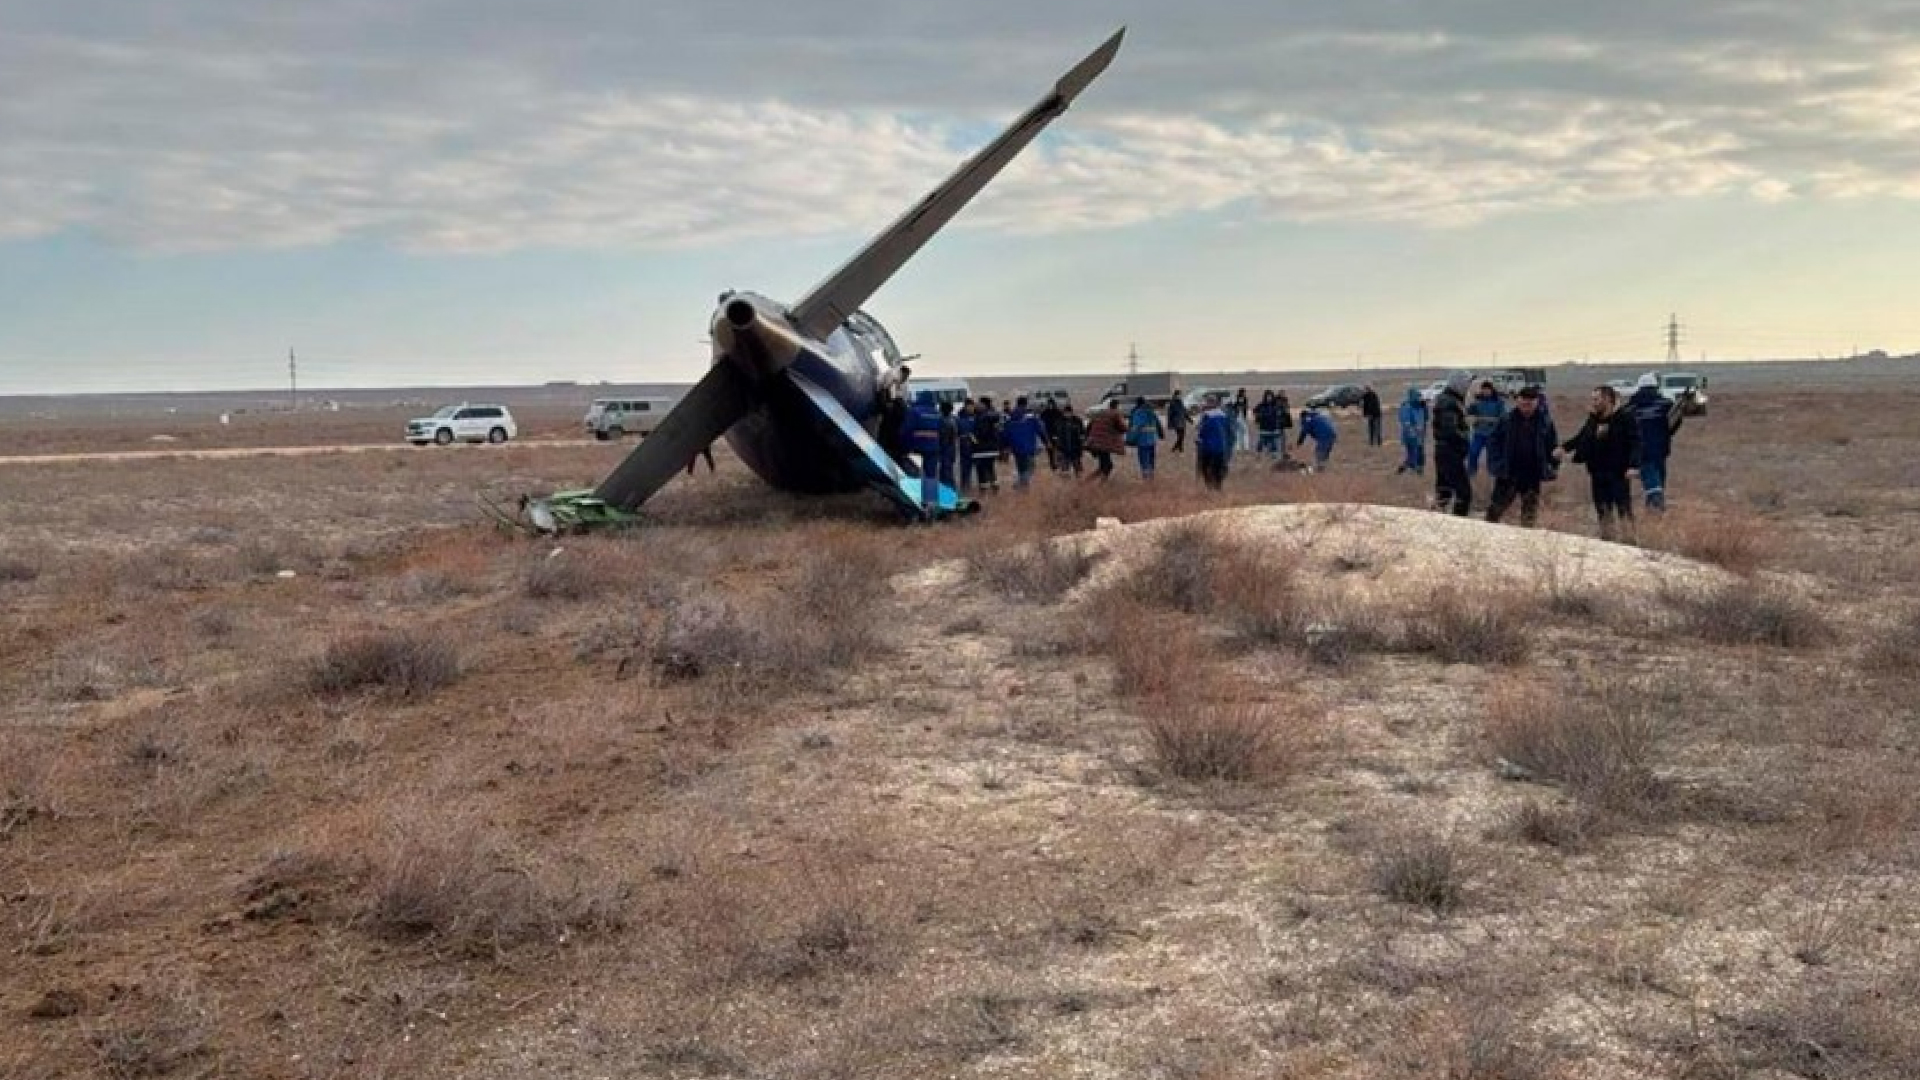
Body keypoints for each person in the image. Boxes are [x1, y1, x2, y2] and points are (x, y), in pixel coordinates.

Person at [1562, 384, 1639, 541]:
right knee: (1603, 510)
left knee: (1623, 509)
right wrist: (1564, 448)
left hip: (1618, 473)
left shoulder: (1625, 418)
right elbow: (1581, 437)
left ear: (1608, 399)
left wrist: (1633, 465)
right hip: (1597, 472)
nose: (1594, 403)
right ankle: (1607, 541)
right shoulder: (1594, 419)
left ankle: (1630, 541)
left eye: (1597, 399)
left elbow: (1636, 443)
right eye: (1593, 399)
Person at [1484, 386, 1557, 528]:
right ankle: (1485, 534)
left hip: (1532, 474)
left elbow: (1552, 446)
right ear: (1517, 401)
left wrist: (1552, 466)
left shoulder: (1545, 422)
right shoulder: (1506, 419)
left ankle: (1526, 538)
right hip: (1508, 472)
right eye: (1523, 401)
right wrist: (1496, 463)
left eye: (1530, 402)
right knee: (1495, 510)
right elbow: (1493, 442)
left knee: (1529, 513)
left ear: (1537, 402)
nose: (1526, 405)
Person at [1625, 373, 1686, 511]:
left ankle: (1654, 506)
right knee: (1658, 477)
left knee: (1650, 478)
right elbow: (1674, 423)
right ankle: (1656, 506)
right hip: (1660, 449)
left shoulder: (1629, 408)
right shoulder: (1666, 404)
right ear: (1656, 387)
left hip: (1640, 450)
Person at [1432, 370, 1473, 515]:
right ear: (1459, 384)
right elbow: (1450, 431)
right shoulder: (1449, 402)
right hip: (1449, 452)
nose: (1468, 387)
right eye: (1467, 383)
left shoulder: (1450, 399)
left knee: (1444, 491)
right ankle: (1457, 523)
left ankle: (1436, 520)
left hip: (1446, 451)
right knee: (1464, 493)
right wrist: (1465, 437)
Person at [901, 390, 945, 518]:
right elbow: (942, 430)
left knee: (913, 476)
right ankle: (931, 506)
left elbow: (906, 429)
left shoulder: (914, 411)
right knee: (930, 476)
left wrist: (904, 446)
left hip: (916, 448)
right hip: (933, 449)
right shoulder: (936, 413)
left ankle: (914, 504)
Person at [1002, 396, 1047, 489]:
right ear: (1026, 404)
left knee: (1021, 468)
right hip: (1028, 447)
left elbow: (1005, 433)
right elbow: (1040, 430)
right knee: (1030, 468)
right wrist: (1046, 442)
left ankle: (1022, 486)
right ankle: (1020, 484)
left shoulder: (1010, 416)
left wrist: (1005, 446)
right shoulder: (1031, 417)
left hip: (1016, 448)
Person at [1466, 381, 1506, 476]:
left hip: (1493, 434)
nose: (1485, 391)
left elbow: (1502, 419)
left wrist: (1483, 419)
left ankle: (1492, 472)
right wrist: (1470, 404)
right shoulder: (1477, 401)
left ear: (1491, 390)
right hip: (1479, 433)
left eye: (1487, 389)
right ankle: (1471, 470)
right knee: (1473, 452)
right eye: (1483, 389)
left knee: (1492, 455)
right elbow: (1468, 413)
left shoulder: (1499, 402)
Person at [1195, 393, 1233, 490]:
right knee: (1218, 468)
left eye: (1208, 402)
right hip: (1221, 447)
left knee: (1205, 468)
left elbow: (1201, 430)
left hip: (1208, 448)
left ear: (1209, 403)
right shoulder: (1224, 415)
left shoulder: (1206, 416)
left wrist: (1198, 439)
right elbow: (1230, 432)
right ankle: (1218, 487)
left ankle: (1210, 487)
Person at [1085, 399, 1126, 481]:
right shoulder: (1115, 414)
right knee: (1108, 466)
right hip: (1104, 444)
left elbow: (1089, 426)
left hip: (1094, 442)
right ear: (1117, 406)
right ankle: (1098, 483)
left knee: (1104, 465)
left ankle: (1088, 482)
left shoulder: (1100, 413)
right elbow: (1122, 428)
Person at [1127, 396, 1164, 479]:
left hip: (1142, 440)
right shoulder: (1151, 411)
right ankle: (1151, 475)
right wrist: (1161, 434)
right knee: (1151, 458)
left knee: (1144, 459)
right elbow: (1158, 423)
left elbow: (1136, 427)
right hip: (1152, 439)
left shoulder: (1137, 412)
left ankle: (1146, 478)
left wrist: (1130, 438)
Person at [971, 396, 1002, 492]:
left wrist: (973, 438)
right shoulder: (993, 415)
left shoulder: (981, 417)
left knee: (981, 468)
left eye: (979, 403)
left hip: (981, 448)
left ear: (984, 405)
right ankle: (994, 487)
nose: (977, 404)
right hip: (991, 448)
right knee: (990, 467)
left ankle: (983, 489)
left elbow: (981, 433)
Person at [1396, 385, 1428, 475]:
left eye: (1419, 396)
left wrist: (1425, 408)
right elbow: (1405, 421)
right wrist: (1412, 430)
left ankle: (1416, 468)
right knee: (1413, 453)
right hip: (1410, 434)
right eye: (1417, 396)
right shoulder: (1406, 407)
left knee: (1419, 452)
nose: (1419, 398)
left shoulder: (1420, 406)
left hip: (1420, 434)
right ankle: (1412, 468)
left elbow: (1425, 418)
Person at [1054, 402, 1086, 475]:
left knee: (1077, 467)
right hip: (1063, 447)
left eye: (1069, 412)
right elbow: (1056, 434)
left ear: (1072, 412)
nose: (1067, 414)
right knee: (1064, 468)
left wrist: (1082, 441)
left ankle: (1078, 478)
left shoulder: (1077, 420)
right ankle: (1066, 477)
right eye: (1066, 413)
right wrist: (1057, 443)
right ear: (1063, 413)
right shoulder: (1059, 421)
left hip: (1075, 447)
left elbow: (1082, 433)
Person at [956, 399, 977, 491]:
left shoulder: (976, 416)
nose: (971, 408)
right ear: (965, 406)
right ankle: (965, 483)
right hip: (964, 444)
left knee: (978, 465)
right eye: (969, 406)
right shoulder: (959, 417)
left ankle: (977, 483)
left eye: (972, 406)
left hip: (976, 444)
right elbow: (956, 432)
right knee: (965, 465)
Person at [1039, 396, 1064, 472]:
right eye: (1049, 404)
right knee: (1050, 450)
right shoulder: (1044, 413)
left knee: (1058, 449)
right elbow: (1041, 424)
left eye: (1051, 404)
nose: (1050, 405)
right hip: (1047, 435)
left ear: (1054, 404)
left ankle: (1059, 463)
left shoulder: (1058, 412)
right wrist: (1042, 436)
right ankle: (1052, 464)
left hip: (1057, 434)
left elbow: (1062, 422)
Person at [1253, 391, 1283, 457]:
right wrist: (1258, 418)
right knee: (1262, 440)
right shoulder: (1261, 405)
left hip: (1273, 426)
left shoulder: (1275, 405)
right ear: (1265, 397)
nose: (1269, 398)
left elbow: (1279, 414)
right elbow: (1255, 411)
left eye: (1270, 396)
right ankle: (1259, 453)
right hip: (1264, 426)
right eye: (1267, 396)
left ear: (1272, 397)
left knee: (1273, 440)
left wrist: (1278, 420)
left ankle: (1273, 453)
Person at [1274, 389, 1293, 459]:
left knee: (1283, 438)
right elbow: (1277, 410)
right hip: (1277, 422)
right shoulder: (1276, 400)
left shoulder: (1285, 400)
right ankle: (1278, 453)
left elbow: (1287, 410)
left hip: (1283, 423)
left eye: (1283, 393)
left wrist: (1289, 422)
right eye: (1282, 393)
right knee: (1278, 438)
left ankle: (1283, 453)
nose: (1283, 394)